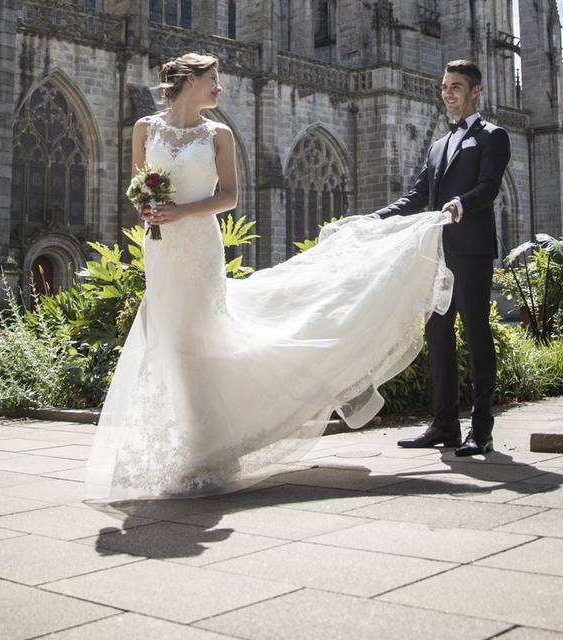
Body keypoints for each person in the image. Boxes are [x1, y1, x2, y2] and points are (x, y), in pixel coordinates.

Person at [85, 53, 454, 501]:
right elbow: (137, 184)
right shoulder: (145, 128)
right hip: (161, 249)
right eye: (213, 79)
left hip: (200, 244)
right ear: (189, 81)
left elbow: (229, 197)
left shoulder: (217, 133)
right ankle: (190, 443)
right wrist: (148, 209)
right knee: (172, 343)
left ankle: (208, 452)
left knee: (199, 342)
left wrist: (180, 211)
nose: (219, 87)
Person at [370, 59, 511, 457]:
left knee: (477, 333)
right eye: (445, 86)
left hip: (472, 251)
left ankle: (481, 430)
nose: (448, 93)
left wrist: (458, 206)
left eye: (456, 86)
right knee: (438, 334)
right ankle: (445, 424)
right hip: (437, 255)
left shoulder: (492, 137)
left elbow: (488, 188)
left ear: (475, 91)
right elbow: (417, 197)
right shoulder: (437, 145)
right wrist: (374, 218)